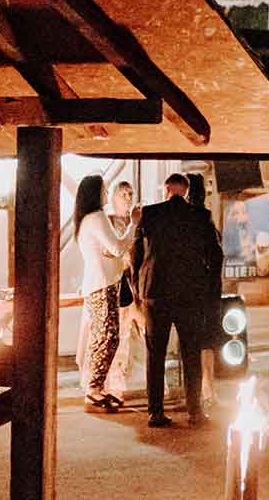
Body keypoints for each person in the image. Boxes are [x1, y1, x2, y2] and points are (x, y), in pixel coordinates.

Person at [128, 173, 223, 428]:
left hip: (156, 293)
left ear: (167, 189)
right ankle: (195, 411)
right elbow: (216, 255)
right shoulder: (201, 217)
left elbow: (136, 255)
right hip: (190, 294)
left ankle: (155, 412)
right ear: (186, 190)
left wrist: (138, 289)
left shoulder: (149, 214)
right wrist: (211, 289)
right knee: (190, 352)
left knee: (155, 353)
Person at [72, 175, 133, 411]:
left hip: (97, 285)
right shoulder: (97, 217)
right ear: (95, 193)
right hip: (102, 285)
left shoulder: (85, 220)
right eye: (104, 190)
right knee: (108, 337)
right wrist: (133, 224)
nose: (107, 193)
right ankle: (94, 389)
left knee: (101, 337)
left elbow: (108, 250)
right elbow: (118, 248)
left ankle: (95, 387)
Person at [182, 172, 223, 416]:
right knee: (207, 342)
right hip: (209, 290)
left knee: (195, 343)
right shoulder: (205, 219)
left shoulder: (185, 219)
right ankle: (208, 389)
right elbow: (216, 255)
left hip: (192, 290)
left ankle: (201, 391)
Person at [104, 180, 140, 398]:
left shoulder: (136, 221)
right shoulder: (108, 222)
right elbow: (112, 251)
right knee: (119, 335)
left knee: (137, 336)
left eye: (130, 194)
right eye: (123, 194)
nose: (128, 198)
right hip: (119, 284)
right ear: (114, 197)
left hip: (137, 284)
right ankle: (113, 384)